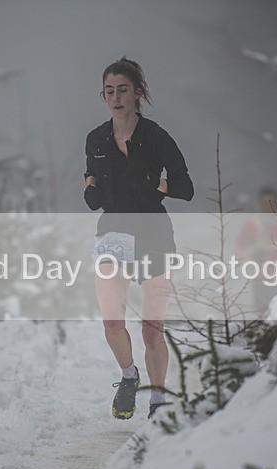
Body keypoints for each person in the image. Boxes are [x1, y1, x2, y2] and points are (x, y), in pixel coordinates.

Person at [83, 57, 194, 420]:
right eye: (109, 91)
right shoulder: (96, 138)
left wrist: (155, 183)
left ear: (137, 93)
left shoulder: (156, 137)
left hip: (153, 234)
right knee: (112, 322)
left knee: (151, 331)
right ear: (103, 96)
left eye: (123, 90)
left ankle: (158, 400)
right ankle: (129, 376)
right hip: (112, 232)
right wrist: (91, 190)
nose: (116, 97)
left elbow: (186, 188)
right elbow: (91, 174)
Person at [235, 186, 277, 316]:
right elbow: (238, 249)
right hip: (261, 280)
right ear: (259, 204)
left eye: (272, 202)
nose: (268, 206)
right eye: (265, 203)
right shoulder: (252, 224)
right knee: (263, 316)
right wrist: (253, 253)